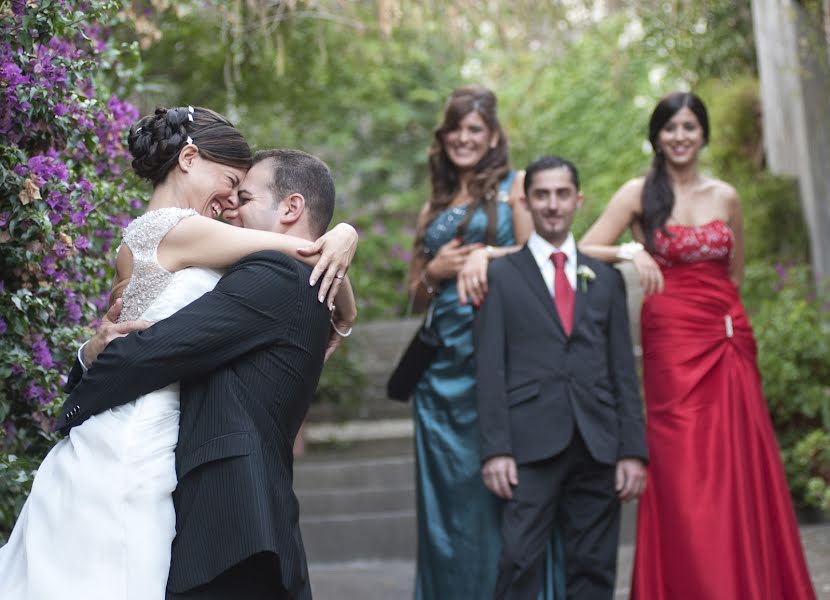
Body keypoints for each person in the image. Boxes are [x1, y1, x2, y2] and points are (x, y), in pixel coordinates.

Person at [0, 106, 358, 600]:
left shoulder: (203, 241)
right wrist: (342, 239)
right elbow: (300, 252)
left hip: (165, 435)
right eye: (231, 182)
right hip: (139, 426)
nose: (231, 201)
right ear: (188, 158)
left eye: (242, 192)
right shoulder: (176, 228)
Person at [579, 91, 816, 599]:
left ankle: (747, 583)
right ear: (657, 136)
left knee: (739, 462)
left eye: (690, 126)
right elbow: (578, 251)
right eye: (671, 127)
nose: (681, 136)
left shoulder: (726, 196)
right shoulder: (638, 193)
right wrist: (628, 251)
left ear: (703, 134)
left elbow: (735, 272)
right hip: (672, 344)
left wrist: (728, 324)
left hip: (728, 337)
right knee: (683, 472)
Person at [406, 85, 563, 600]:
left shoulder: (516, 187)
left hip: (496, 358)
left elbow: (531, 255)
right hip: (438, 375)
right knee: (448, 506)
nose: (463, 138)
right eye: (455, 129)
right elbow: (414, 292)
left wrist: (481, 258)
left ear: (493, 136)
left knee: (501, 494)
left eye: (474, 129)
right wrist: (434, 269)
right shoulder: (435, 201)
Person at [475, 155, 647, 600]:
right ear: (527, 202)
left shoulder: (606, 278)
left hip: (598, 440)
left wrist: (632, 451)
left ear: (578, 200)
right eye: (542, 195)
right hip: (530, 444)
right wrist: (496, 449)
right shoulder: (499, 276)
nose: (553, 204)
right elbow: (490, 369)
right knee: (519, 562)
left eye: (562, 194)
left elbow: (622, 370)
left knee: (594, 569)